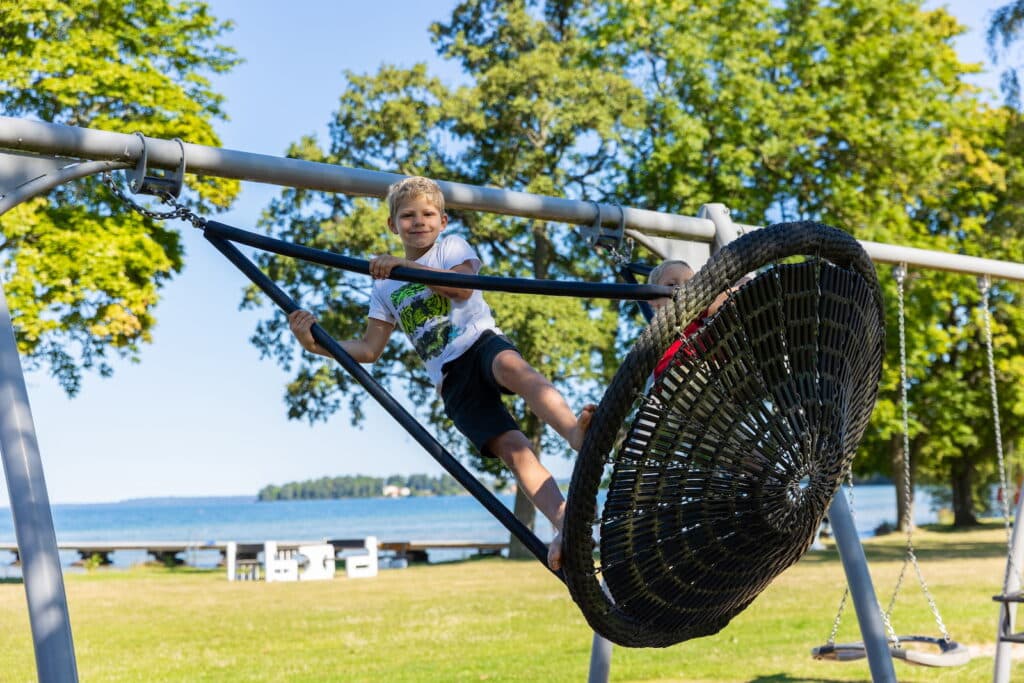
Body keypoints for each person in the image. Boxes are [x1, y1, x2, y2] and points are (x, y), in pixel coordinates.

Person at [288, 176, 594, 571]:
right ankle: (563, 519)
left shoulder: (451, 248)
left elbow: (463, 287)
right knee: (513, 450)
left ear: (444, 220)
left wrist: (405, 267)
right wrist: (317, 344)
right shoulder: (383, 288)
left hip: (480, 344)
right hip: (450, 379)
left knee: (515, 368)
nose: (419, 221)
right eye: (408, 215)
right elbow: (368, 349)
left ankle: (572, 430)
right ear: (391, 224)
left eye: (428, 213)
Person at [647, 259, 749, 379]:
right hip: (678, 376)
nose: (681, 289)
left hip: (710, 376)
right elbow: (730, 296)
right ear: (653, 300)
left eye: (689, 284)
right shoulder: (658, 335)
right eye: (671, 285)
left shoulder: (700, 317)